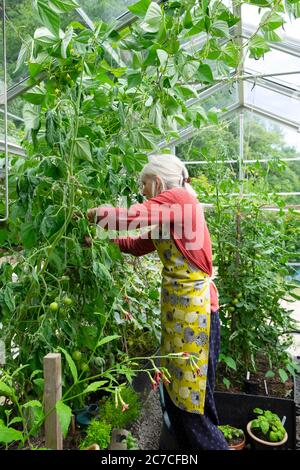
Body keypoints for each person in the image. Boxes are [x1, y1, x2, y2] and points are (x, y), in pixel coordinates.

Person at [87, 154, 228, 450]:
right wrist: (100, 239)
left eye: (144, 183)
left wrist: (91, 214)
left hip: (197, 317)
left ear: (160, 182)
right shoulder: (172, 215)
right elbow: (137, 245)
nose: (141, 189)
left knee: (193, 410)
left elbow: (130, 217)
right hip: (181, 318)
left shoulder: (179, 199)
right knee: (179, 404)